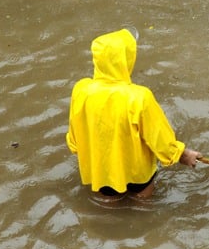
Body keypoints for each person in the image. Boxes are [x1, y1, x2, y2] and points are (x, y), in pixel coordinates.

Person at [66, 28, 201, 200]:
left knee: (106, 207)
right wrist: (181, 154)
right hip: (137, 173)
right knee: (142, 205)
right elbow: (159, 138)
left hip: (102, 171)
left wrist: (79, 149)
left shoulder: (81, 89)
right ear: (127, 59)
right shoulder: (139, 97)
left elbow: (74, 133)